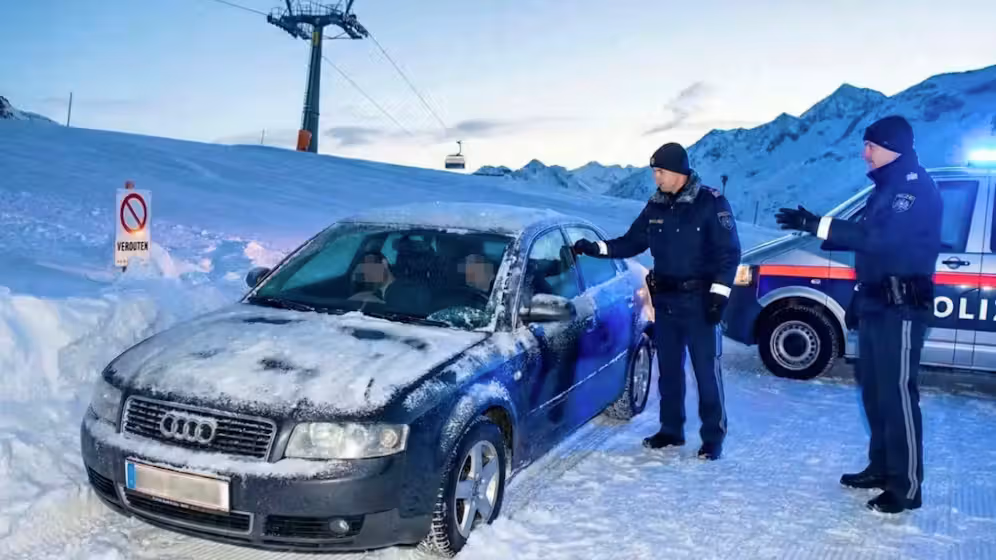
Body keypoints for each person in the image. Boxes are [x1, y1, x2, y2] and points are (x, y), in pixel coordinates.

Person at [775, 115, 941, 514]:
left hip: (902, 307)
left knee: (898, 395)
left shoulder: (912, 191)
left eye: (871, 145)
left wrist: (819, 224)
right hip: (877, 303)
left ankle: (906, 487)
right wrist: (858, 297)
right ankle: (882, 467)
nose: (863, 152)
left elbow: (879, 239)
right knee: (874, 391)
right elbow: (869, 250)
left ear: (892, 148)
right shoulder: (885, 190)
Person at [573, 142, 741, 460]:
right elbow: (632, 241)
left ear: (678, 171)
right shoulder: (656, 206)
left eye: (660, 172)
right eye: (654, 172)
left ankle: (713, 438)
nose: (657, 178)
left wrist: (719, 296)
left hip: (700, 302)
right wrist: (596, 248)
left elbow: (729, 253)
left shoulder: (711, 203)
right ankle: (671, 430)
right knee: (669, 370)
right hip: (665, 302)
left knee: (706, 372)